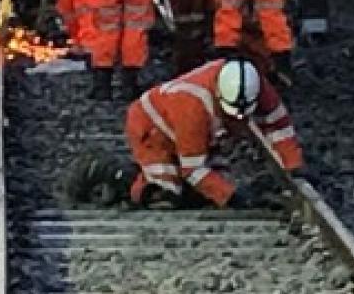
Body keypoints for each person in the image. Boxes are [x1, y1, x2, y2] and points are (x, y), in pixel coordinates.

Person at [124, 57, 302, 208]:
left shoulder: (256, 85)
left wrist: (293, 165)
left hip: (186, 125)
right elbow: (192, 168)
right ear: (218, 94)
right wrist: (232, 197)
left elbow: (279, 125)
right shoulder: (192, 105)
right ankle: (125, 179)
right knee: (166, 196)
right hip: (153, 130)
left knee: (203, 188)